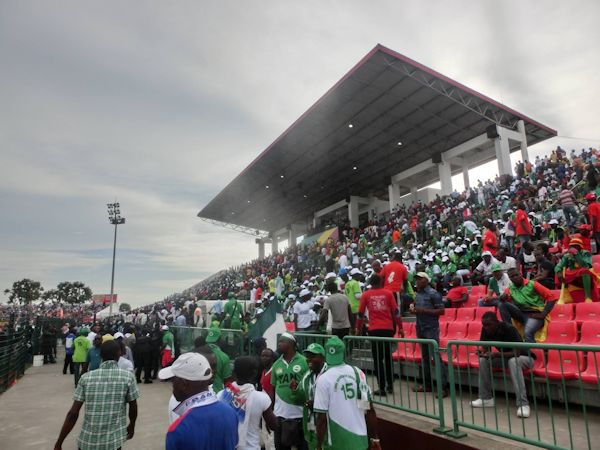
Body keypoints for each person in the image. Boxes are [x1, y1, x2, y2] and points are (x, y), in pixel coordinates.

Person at [54, 340, 139, 450]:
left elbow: (73, 413)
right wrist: (132, 425)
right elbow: (133, 406)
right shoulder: (128, 377)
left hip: (87, 441)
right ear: (119, 353)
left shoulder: (86, 378)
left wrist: (59, 442)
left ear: (100, 354)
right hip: (112, 443)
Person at [313, 337, 381, 450]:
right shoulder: (358, 373)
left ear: (326, 355)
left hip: (338, 443)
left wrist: (319, 445)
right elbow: (368, 409)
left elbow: (322, 418)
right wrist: (375, 438)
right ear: (343, 353)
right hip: (360, 441)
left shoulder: (323, 379)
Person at [160, 352, 238, 450]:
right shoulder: (230, 412)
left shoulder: (177, 430)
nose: (172, 386)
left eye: (173, 381)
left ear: (184, 385)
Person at [470, 312, 534, 418]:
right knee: (483, 361)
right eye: (484, 325)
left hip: (525, 358)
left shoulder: (509, 329)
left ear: (496, 322)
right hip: (505, 358)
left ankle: (523, 404)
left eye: (488, 325)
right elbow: (484, 348)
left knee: (513, 361)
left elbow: (517, 353)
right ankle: (486, 398)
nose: (486, 328)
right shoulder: (485, 330)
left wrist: (496, 354)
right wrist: (482, 353)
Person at [356, 274, 403, 396]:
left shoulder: (366, 295)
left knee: (378, 360)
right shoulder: (388, 293)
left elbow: (360, 314)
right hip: (388, 329)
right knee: (388, 358)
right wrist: (400, 327)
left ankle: (381, 388)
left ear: (370, 283)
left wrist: (357, 328)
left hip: (374, 330)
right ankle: (390, 386)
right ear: (381, 281)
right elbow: (396, 312)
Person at [218, 356, 277, 450]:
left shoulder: (221, 395)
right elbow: (273, 425)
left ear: (234, 372)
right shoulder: (261, 398)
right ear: (254, 373)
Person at [411, 272, 448, 397]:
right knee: (425, 357)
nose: (417, 282)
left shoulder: (433, 293)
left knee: (435, 356)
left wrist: (423, 310)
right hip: (420, 327)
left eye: (419, 279)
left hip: (431, 328)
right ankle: (427, 385)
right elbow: (418, 309)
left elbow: (442, 311)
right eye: (416, 280)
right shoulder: (418, 295)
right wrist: (414, 310)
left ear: (426, 280)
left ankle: (443, 387)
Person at [270, 332, 309, 450]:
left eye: (282, 341)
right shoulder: (276, 364)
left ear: (291, 344)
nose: (279, 344)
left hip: (300, 414)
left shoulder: (304, 361)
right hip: (280, 415)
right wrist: (271, 411)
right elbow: (273, 388)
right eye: (279, 341)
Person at [499, 268, 558, 343]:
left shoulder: (533, 284)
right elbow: (502, 300)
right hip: (520, 313)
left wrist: (544, 314)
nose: (515, 278)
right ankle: (509, 329)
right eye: (512, 277)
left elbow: (552, 297)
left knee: (528, 332)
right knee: (502, 304)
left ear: (520, 274)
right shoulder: (510, 289)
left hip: (535, 313)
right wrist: (502, 298)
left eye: (516, 275)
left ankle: (533, 353)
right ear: (510, 279)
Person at [291, 343, 326, 450]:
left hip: (327, 428)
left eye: (313, 356)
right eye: (308, 356)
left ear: (322, 358)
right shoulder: (307, 376)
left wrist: (316, 404)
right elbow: (299, 400)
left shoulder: (329, 374)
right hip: (311, 426)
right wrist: (295, 390)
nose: (309, 359)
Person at [555, 237, 596, 303]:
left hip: (584, 272)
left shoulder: (586, 253)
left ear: (580, 247)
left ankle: (588, 297)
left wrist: (576, 255)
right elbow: (558, 266)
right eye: (572, 246)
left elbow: (586, 266)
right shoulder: (567, 256)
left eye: (575, 246)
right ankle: (565, 296)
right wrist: (559, 272)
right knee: (558, 273)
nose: (573, 248)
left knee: (584, 271)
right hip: (573, 273)